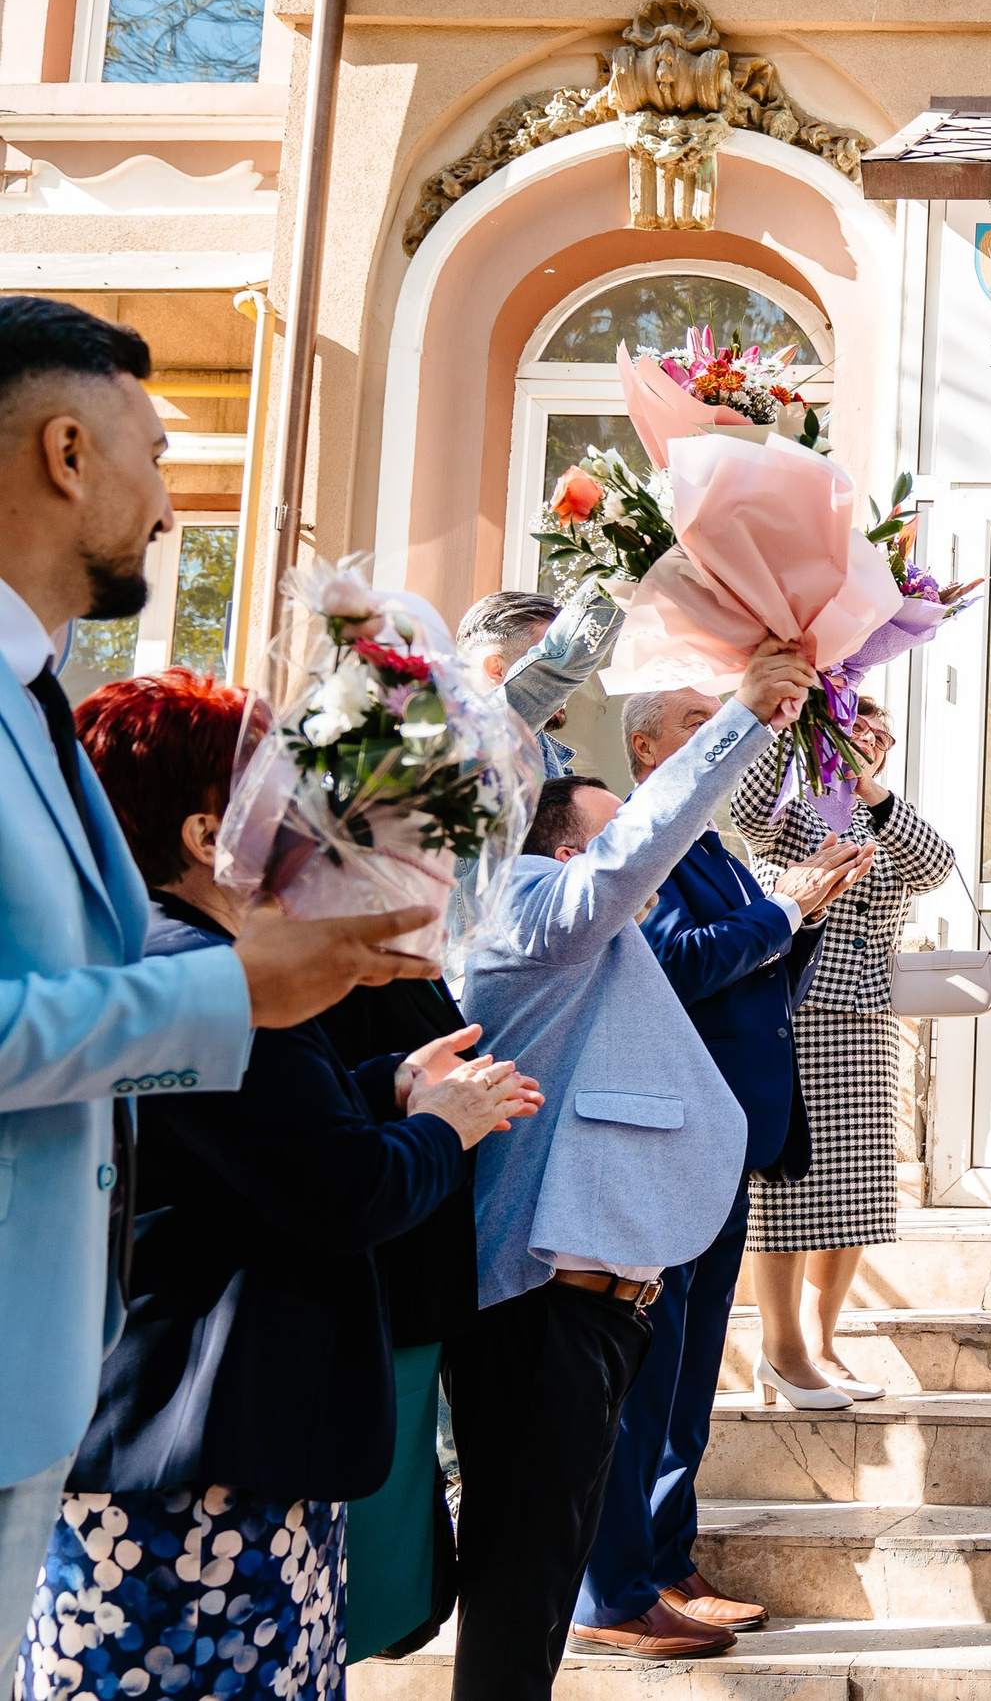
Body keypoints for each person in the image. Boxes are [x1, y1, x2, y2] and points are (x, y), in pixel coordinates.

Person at [0, 296, 438, 1615]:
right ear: (67, 452)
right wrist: (231, 991)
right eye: (156, 453)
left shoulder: (44, 705)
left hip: (45, 1386)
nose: (174, 504)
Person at [15, 670, 538, 1701]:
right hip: (195, 1468)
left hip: (199, 1448)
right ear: (212, 832)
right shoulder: (208, 980)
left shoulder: (167, 962)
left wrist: (381, 1084)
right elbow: (338, 1191)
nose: (305, 829)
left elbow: (252, 1136)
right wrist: (445, 1126)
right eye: (279, 800)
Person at [445, 639, 814, 1701]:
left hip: (596, 1298)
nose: (640, 866)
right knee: (522, 1577)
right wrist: (742, 715)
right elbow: (639, 847)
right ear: (566, 857)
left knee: (537, 1572)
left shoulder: (567, 923)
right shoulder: (528, 913)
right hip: (540, 1302)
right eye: (615, 845)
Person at [325, 582, 632, 1662]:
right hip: (384, 1240)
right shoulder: (327, 925)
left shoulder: (470, 807)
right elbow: (511, 699)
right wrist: (623, 575)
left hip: (445, 1159)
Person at [567, 688, 870, 1660]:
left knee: (692, 1374)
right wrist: (782, 908)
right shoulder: (636, 847)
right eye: (702, 723)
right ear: (649, 747)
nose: (727, 738)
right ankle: (617, 1587)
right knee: (648, 1375)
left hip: (726, 1139)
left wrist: (803, 910)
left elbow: (762, 969)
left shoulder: (712, 847)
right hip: (662, 1140)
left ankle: (666, 1558)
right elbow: (672, 968)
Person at [729, 693, 955, 1401]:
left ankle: (826, 1341)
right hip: (796, 1013)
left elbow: (937, 864)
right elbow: (748, 812)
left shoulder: (885, 814)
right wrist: (798, 730)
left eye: (884, 736)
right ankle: (780, 1347)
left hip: (867, 1019)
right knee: (792, 1190)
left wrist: (868, 784)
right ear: (826, 732)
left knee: (857, 1191)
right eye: (860, 728)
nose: (875, 741)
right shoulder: (793, 802)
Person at [455, 585, 628, 780]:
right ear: (496, 668)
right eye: (539, 658)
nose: (565, 690)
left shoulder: (548, 757)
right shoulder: (465, 733)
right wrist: (622, 575)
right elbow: (564, 663)